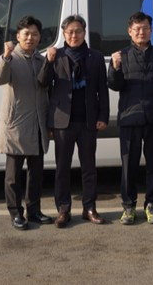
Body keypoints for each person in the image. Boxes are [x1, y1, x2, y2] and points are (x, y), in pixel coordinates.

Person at [38, 15, 109, 228]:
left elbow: (102, 90)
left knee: (89, 168)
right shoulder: (56, 55)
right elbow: (42, 82)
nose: (74, 35)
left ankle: (90, 208)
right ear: (63, 34)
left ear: (84, 33)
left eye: (78, 31)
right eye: (69, 32)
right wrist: (48, 61)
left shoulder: (95, 57)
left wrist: (103, 116)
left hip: (88, 121)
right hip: (62, 122)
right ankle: (63, 209)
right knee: (62, 168)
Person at [107, 12, 153, 225]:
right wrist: (115, 67)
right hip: (130, 118)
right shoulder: (121, 56)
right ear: (130, 31)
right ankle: (129, 206)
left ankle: (152, 204)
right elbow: (115, 85)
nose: (141, 32)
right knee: (129, 165)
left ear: (151, 30)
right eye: (137, 29)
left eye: (145, 28)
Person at [0, 16, 52, 230]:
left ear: (39, 37)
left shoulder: (42, 60)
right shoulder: (10, 58)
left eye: (34, 34)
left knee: (36, 174)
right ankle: (16, 213)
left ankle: (34, 211)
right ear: (18, 36)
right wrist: (5, 56)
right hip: (16, 125)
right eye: (26, 34)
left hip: (37, 124)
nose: (30, 38)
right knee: (13, 176)